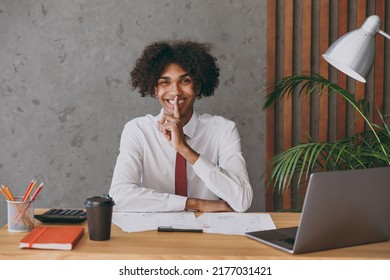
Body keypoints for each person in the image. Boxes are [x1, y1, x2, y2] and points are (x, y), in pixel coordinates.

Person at [109, 40, 253, 213]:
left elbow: (243, 200)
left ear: (197, 86)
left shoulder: (223, 130)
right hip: (153, 232)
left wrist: (183, 148)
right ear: (155, 90)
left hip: (208, 233)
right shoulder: (138, 131)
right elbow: (119, 196)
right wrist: (195, 204)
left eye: (184, 81)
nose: (175, 91)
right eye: (165, 82)